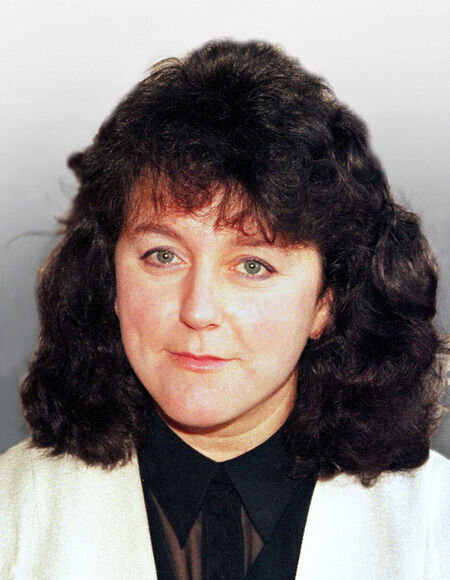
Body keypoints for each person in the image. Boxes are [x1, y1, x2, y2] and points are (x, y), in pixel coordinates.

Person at [0, 39, 448, 579]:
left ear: (325, 303)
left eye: (253, 265)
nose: (198, 310)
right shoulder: (12, 514)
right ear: (110, 278)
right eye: (163, 255)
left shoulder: (433, 523)